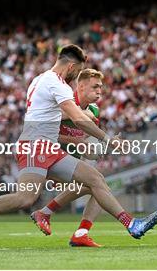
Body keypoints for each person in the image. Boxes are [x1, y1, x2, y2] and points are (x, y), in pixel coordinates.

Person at [0, 45, 157, 251]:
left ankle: (132, 225)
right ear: (71, 66)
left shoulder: (39, 79)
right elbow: (77, 118)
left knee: (94, 180)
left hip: (47, 146)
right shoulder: (55, 83)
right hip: (35, 145)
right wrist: (108, 139)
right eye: (77, 72)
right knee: (25, 198)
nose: (75, 77)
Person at [30, 68, 107, 247]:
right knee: (97, 185)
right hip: (45, 157)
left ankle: (81, 232)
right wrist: (75, 140)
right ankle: (46, 213)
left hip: (68, 162)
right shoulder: (64, 103)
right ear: (81, 86)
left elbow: (84, 141)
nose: (99, 92)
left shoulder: (94, 111)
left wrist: (92, 150)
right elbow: (42, 133)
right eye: (95, 87)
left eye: (101, 87)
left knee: (99, 188)